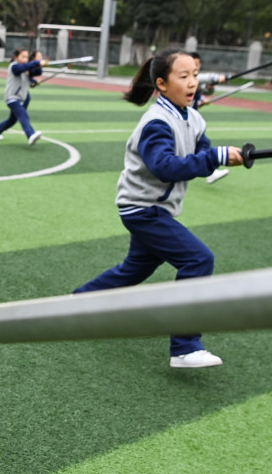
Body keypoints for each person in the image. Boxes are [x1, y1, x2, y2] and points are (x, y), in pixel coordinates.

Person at [74, 47, 242, 369]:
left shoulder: (193, 117)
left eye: (195, 74)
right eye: (184, 76)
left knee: (134, 269)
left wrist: (230, 157)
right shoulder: (156, 122)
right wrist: (215, 157)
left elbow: (202, 156)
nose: (193, 82)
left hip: (156, 210)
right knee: (198, 258)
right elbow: (165, 167)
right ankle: (184, 346)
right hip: (141, 209)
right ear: (162, 84)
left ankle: (76, 303)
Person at [0, 48, 46, 145]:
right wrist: (37, 62)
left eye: (27, 57)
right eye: (23, 57)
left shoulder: (26, 68)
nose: (25, 59)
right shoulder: (14, 66)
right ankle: (30, 135)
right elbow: (22, 69)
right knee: (23, 115)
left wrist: (36, 75)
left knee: (12, 120)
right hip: (12, 97)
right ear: (16, 57)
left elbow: (37, 73)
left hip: (21, 98)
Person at [189, 52, 229, 185]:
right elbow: (200, 81)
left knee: (200, 143)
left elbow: (203, 90)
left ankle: (210, 172)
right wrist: (218, 78)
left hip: (191, 117)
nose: (196, 67)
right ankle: (210, 172)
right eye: (194, 64)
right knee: (201, 143)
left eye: (198, 65)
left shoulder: (194, 80)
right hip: (187, 118)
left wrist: (209, 88)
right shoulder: (188, 78)